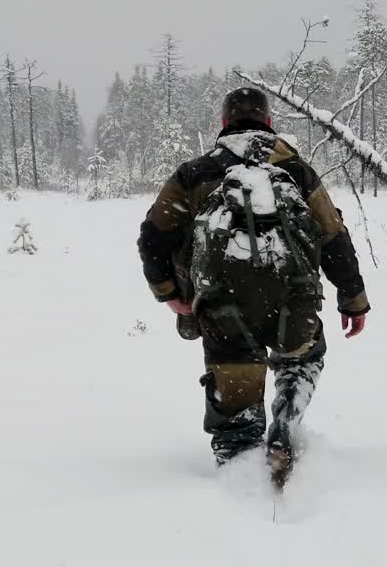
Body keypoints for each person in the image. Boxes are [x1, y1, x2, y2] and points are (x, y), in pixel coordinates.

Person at [137, 86, 370, 483]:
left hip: (221, 305)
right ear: (268, 123)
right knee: (303, 357)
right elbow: (333, 237)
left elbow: (154, 236)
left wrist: (169, 293)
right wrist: (353, 299)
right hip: (293, 297)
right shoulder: (297, 171)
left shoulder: (195, 173)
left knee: (235, 387)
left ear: (224, 124)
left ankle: (242, 472)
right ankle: (286, 415)